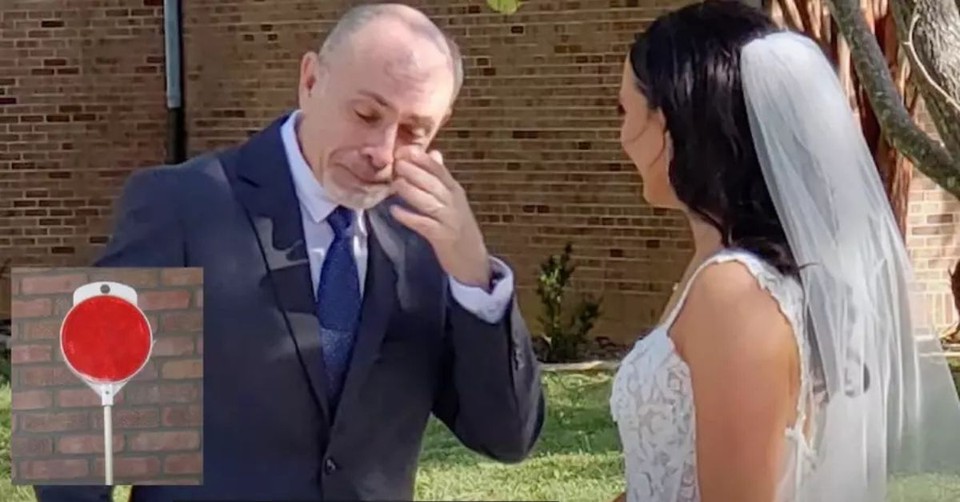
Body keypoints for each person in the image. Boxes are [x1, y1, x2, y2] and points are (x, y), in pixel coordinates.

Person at [33, 4, 544, 502]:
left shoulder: (429, 244)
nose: (382, 152)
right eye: (366, 114)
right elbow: (76, 427)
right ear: (310, 80)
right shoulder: (181, 204)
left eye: (414, 131)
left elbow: (506, 438)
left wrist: (475, 277)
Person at [609, 1, 960, 501]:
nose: (622, 137)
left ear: (670, 124)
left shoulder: (734, 292)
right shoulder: (722, 270)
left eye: (625, 110)